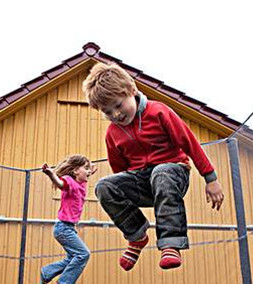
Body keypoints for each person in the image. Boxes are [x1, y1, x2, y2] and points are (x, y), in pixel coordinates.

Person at [82, 62, 224, 271]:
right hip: (142, 180)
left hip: (174, 173)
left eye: (119, 105)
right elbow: (119, 170)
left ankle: (170, 243)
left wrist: (211, 179)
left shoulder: (158, 112)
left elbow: (190, 143)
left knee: (161, 173)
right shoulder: (112, 133)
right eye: (107, 111)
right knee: (104, 186)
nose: (116, 115)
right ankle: (137, 236)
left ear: (131, 90)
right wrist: (125, 196)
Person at [39, 155, 97, 284]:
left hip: (68, 228)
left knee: (72, 258)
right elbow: (60, 183)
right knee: (83, 254)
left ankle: (47, 272)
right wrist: (50, 173)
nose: (88, 172)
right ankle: (65, 283)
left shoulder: (81, 184)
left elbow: (84, 175)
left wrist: (89, 171)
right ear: (76, 171)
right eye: (85, 169)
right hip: (63, 228)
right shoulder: (70, 182)